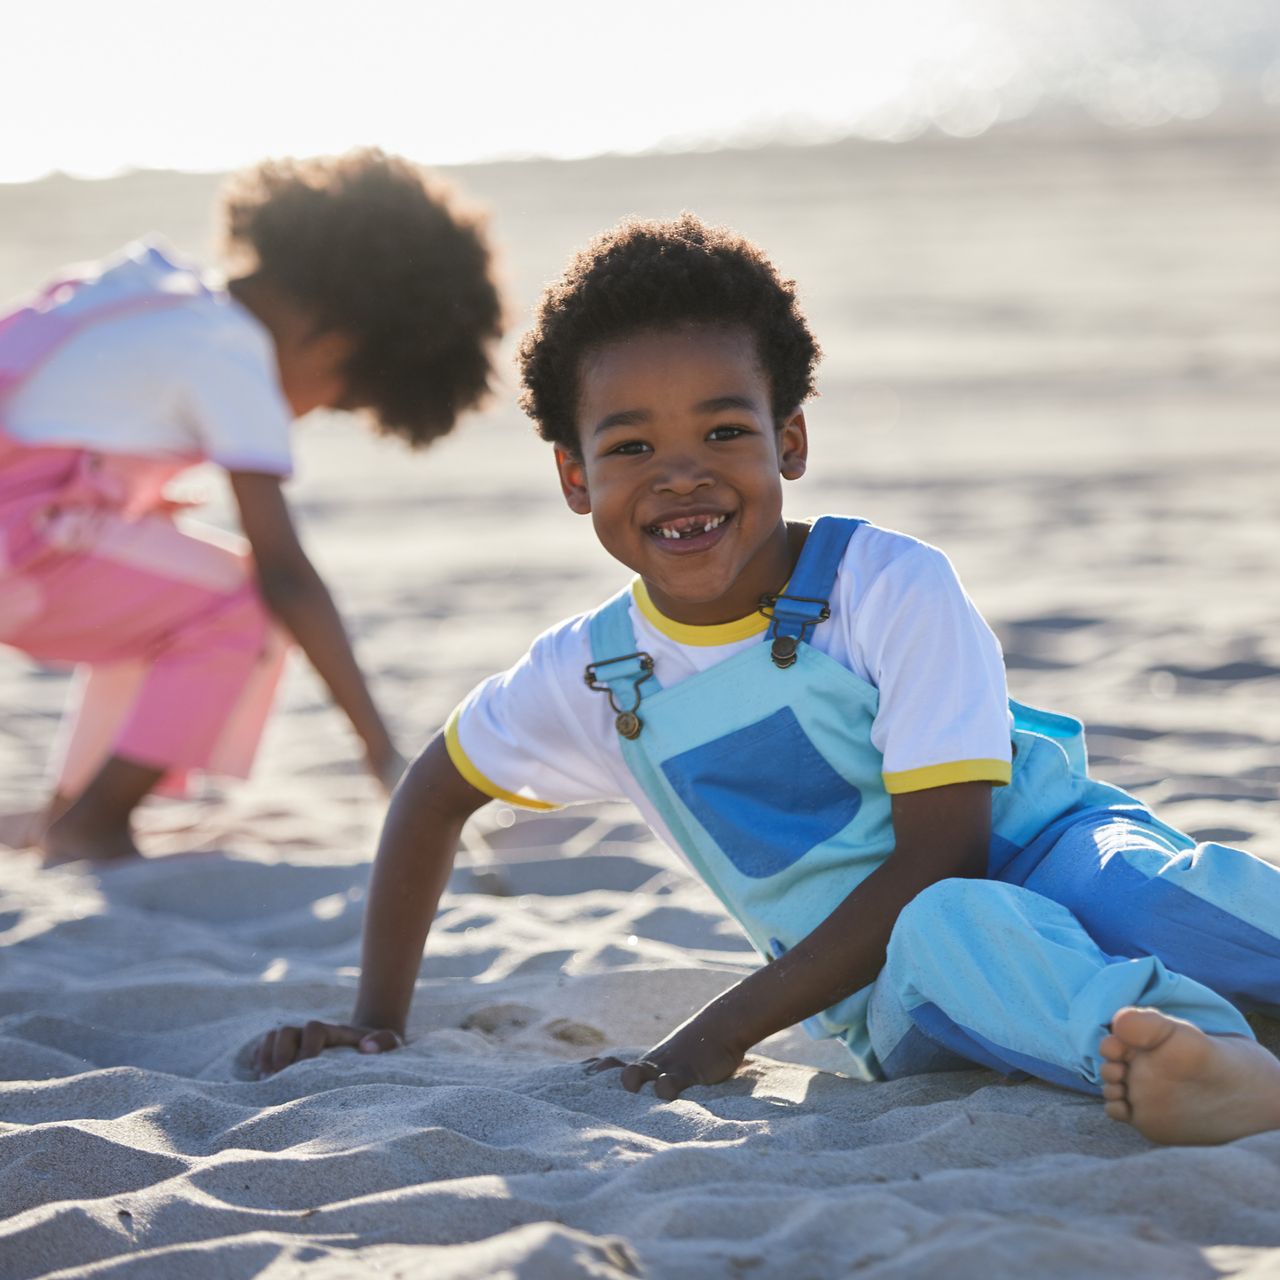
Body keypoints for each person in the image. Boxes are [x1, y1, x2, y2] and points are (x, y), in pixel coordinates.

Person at [254, 214, 1280, 1147]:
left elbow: (946, 846)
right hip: (899, 979)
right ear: (576, 478)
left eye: (724, 431)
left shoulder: (887, 583)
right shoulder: (592, 674)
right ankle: (1204, 1062)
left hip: (1040, 848)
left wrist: (718, 1031)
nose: (681, 472)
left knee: (1136, 881)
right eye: (631, 445)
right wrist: (376, 1019)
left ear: (787, 438)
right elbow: (433, 794)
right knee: (959, 928)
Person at [0, 149, 504, 864]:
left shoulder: (155, 288)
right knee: (242, 604)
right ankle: (95, 822)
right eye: (337, 399)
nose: (303, 415)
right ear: (334, 342)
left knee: (181, 587)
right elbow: (285, 574)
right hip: (18, 558)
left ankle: (70, 807)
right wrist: (379, 748)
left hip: (22, 537)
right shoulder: (231, 352)